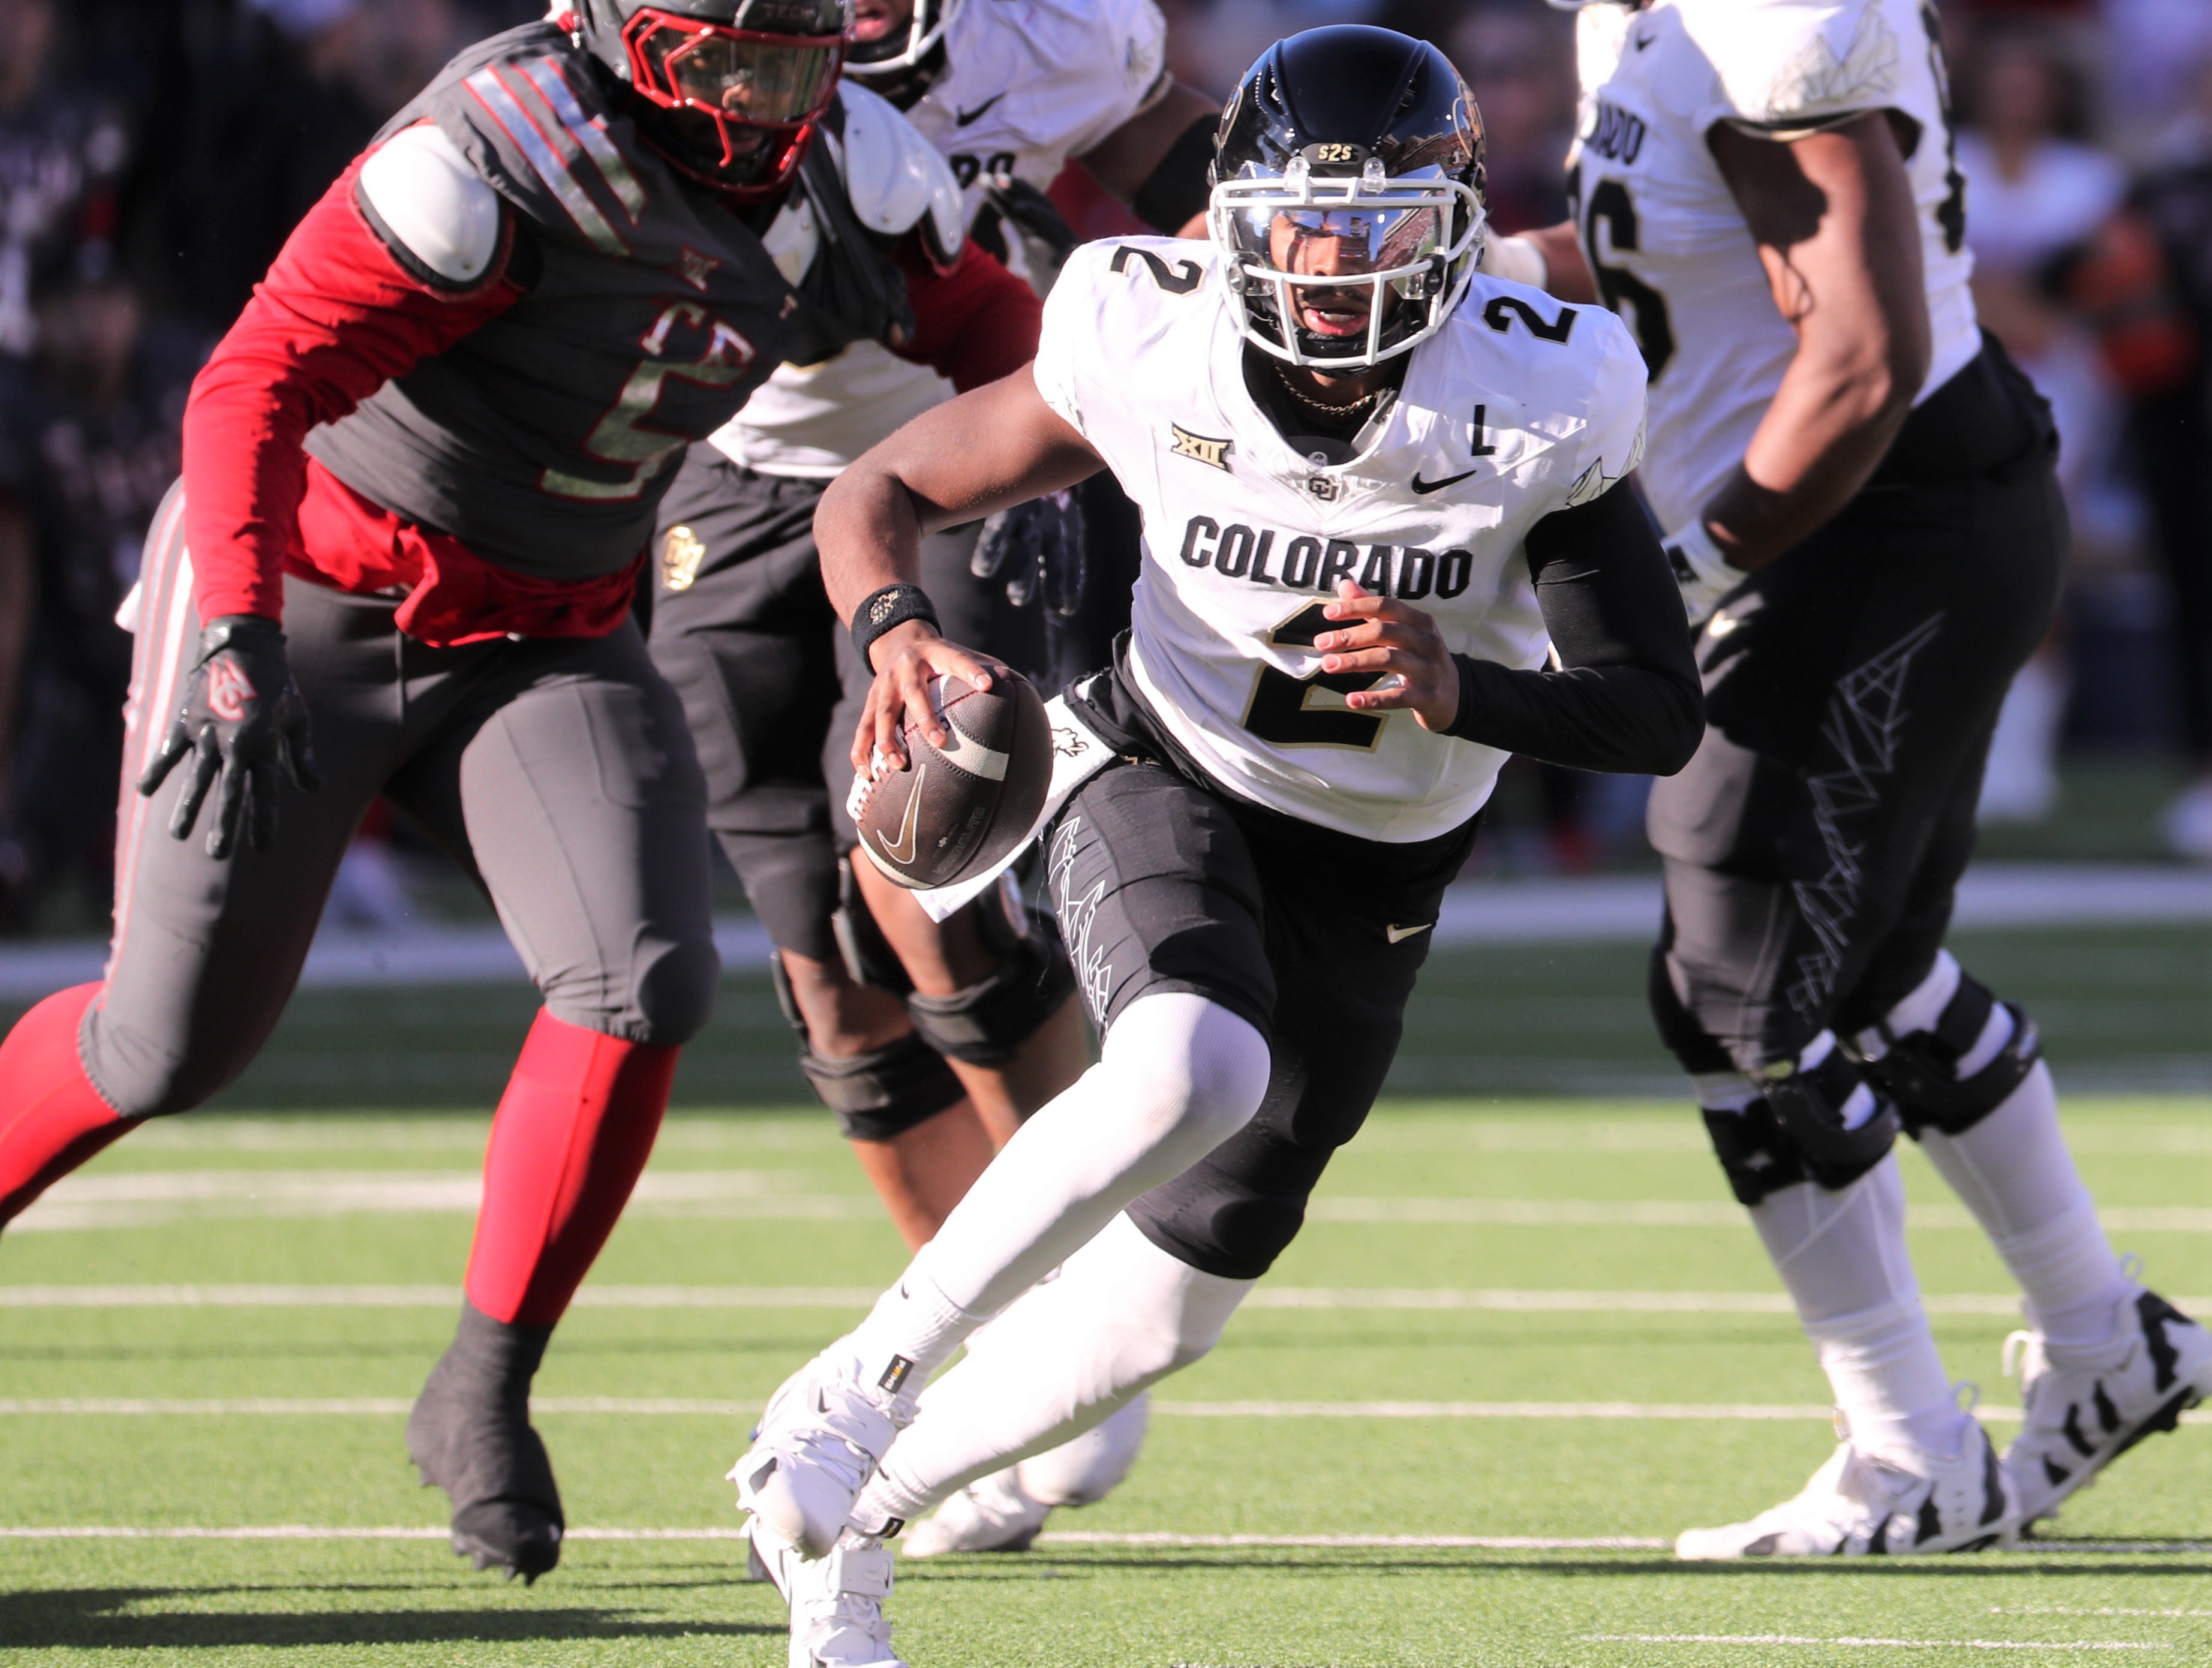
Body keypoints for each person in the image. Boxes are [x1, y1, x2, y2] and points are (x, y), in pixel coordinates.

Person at [0, 0, 1041, 1584]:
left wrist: (1042, 513)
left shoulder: (852, 177)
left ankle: (484, 1384)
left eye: (790, 55)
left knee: (644, 980)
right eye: (725, 55)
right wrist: (234, 633)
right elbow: (250, 382)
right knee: (163, 1046)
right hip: (310, 600)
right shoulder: (493, 157)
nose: (762, 96)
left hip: (543, 633)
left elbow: (1013, 356)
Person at [728, 28, 1703, 1666]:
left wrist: (1466, 689)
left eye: (1378, 230)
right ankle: (851, 1389)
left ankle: (846, 1519)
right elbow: (876, 487)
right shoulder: (1145, 329)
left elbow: (1657, 709)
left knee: (1171, 1309)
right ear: (1231, 221)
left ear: (1457, 235)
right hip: (1165, 765)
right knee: (1192, 1064)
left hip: (1382, 858)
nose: (1331, 270)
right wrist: (895, 632)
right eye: (1301, 227)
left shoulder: (1546, 389)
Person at [1498, 0, 2212, 1556]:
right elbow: (1668, 240)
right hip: (1882, 515)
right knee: (1868, 966)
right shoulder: (1648, 20)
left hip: (1867, 517)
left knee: (1736, 990)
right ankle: (2105, 1341)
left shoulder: (1770, 15)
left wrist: (1697, 567)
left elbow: (1867, 352)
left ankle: (1910, 1452)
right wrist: (1465, 270)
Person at [645, 0, 1219, 1553]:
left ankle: (1080, 1299)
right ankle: (980, 1373)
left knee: (924, 870)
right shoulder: (677, 34)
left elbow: (1196, 173)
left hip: (952, 461)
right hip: (724, 469)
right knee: (823, 970)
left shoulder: (1055, 34)